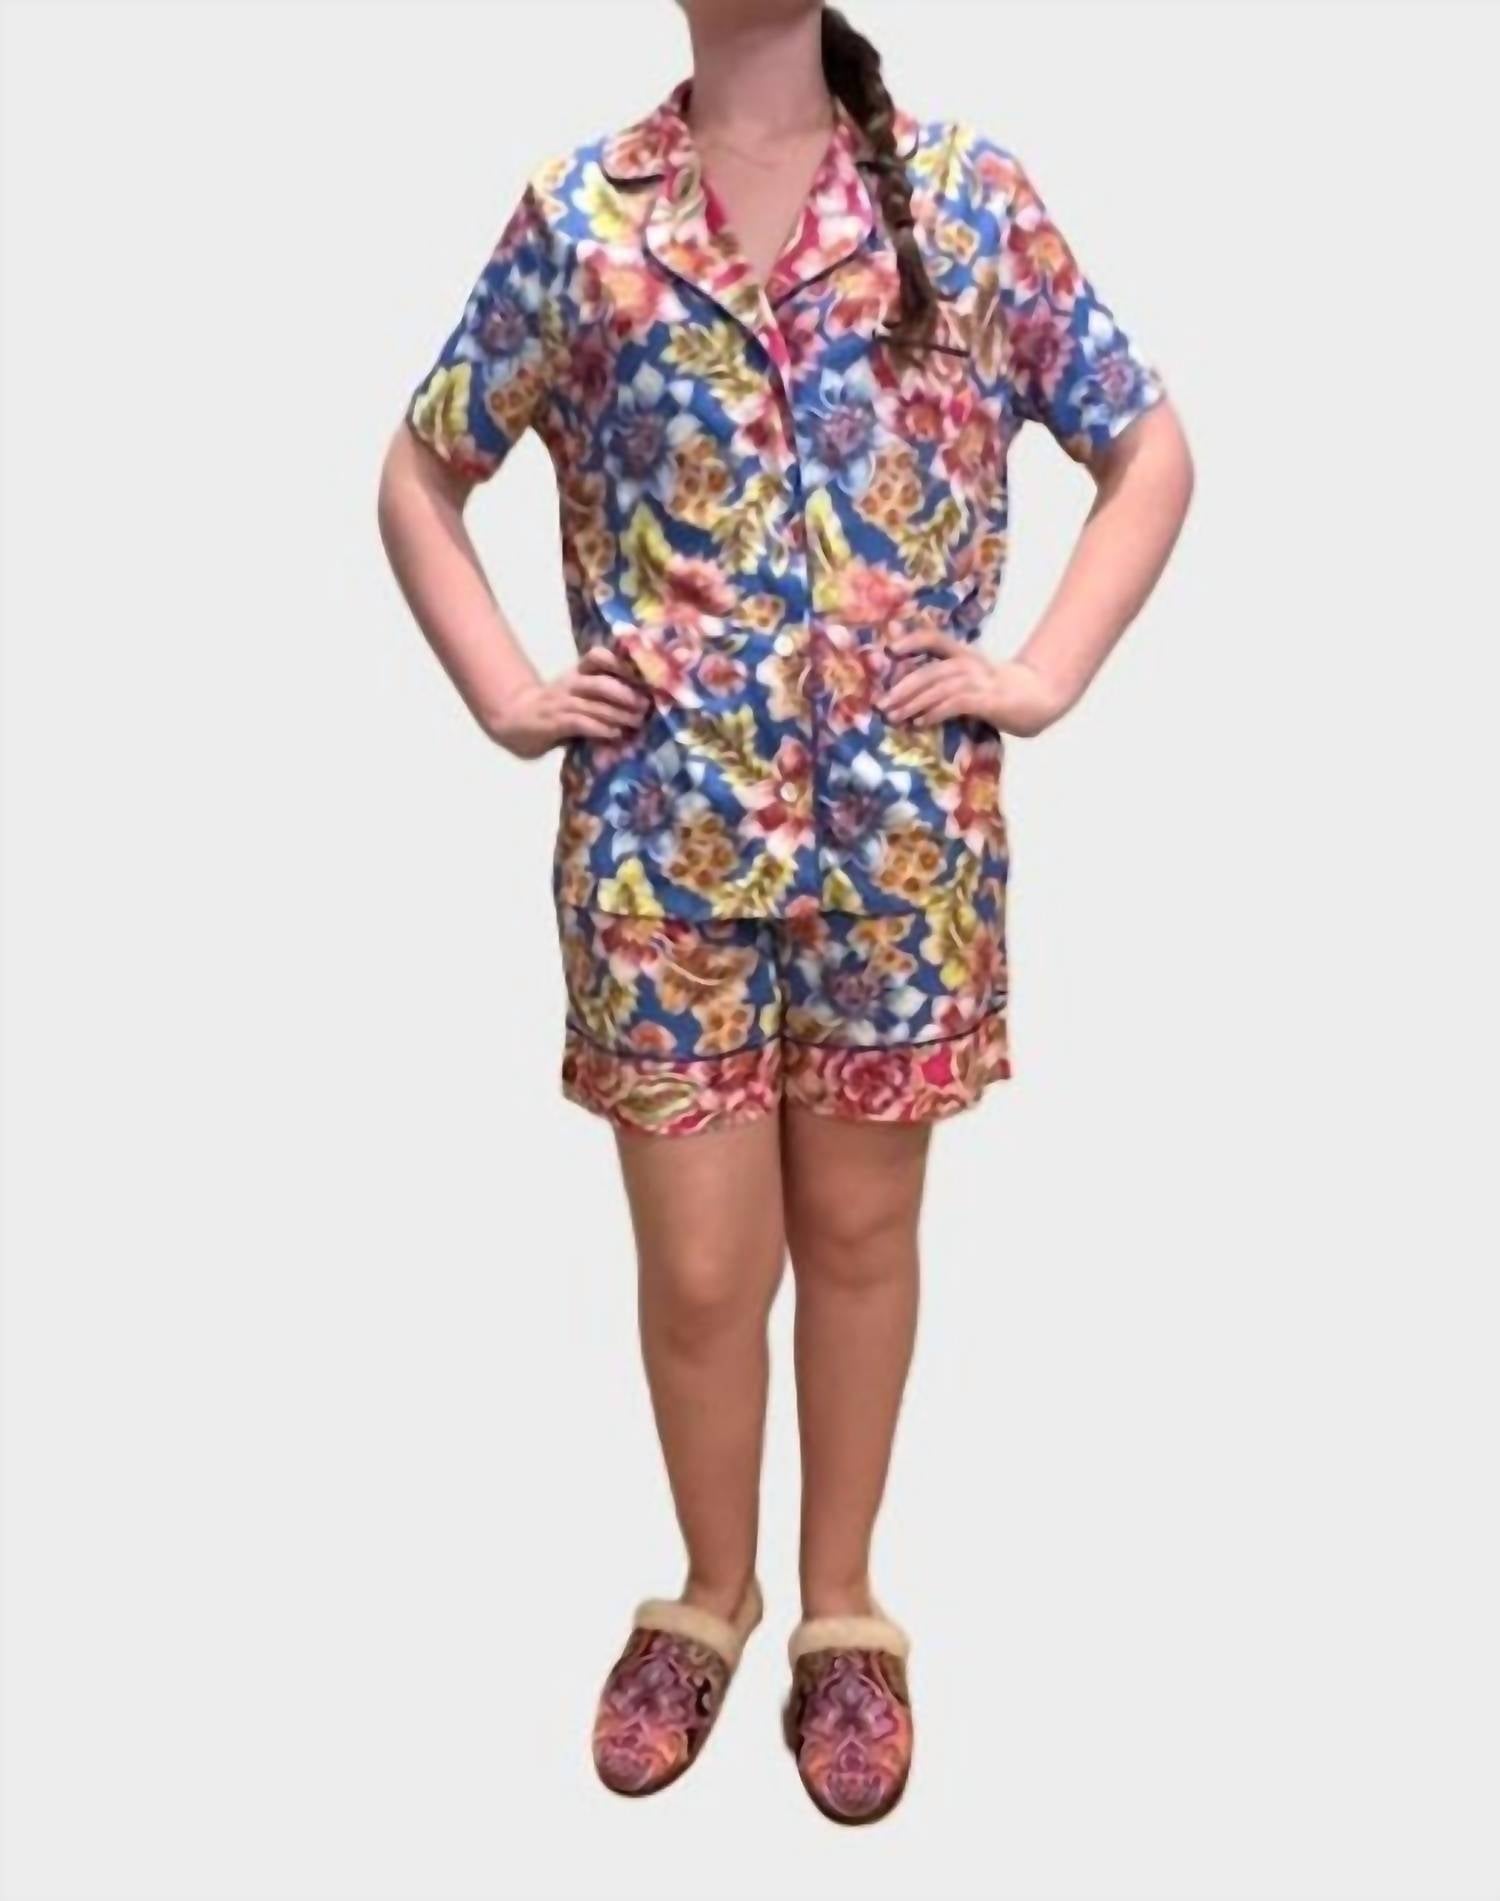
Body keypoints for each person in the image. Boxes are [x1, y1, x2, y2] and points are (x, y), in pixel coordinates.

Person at [376, 0, 1193, 1827]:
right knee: (698, 1270)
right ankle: (707, 1591)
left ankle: (841, 1609)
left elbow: (1148, 451)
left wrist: (1043, 670)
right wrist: (508, 689)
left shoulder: (966, 204)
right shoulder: (584, 216)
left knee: (860, 1233)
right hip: (660, 852)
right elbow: (422, 470)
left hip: (898, 855)